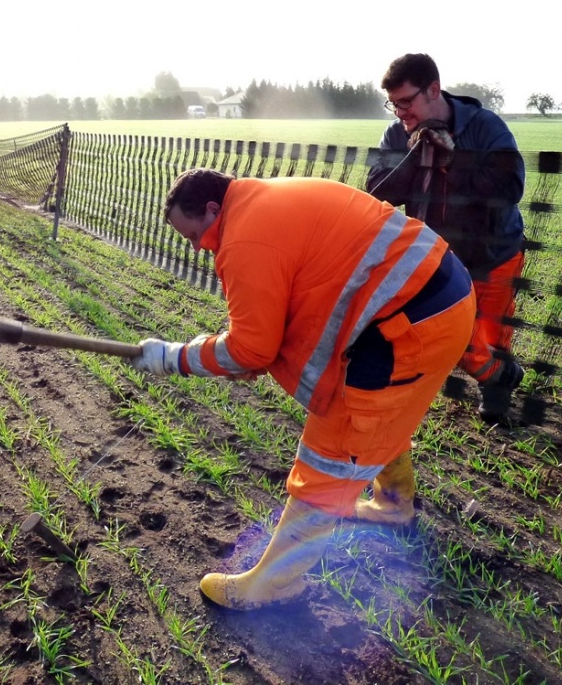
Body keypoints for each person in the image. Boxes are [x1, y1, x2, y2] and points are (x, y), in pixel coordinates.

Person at [129, 168, 476, 610]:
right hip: (443, 298)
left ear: (214, 208)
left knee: (335, 445)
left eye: (196, 234)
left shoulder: (244, 239)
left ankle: (273, 585)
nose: (199, 247)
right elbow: (277, 326)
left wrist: (174, 357)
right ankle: (394, 505)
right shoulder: (267, 199)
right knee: (380, 416)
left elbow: (250, 348)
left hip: (403, 327)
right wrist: (254, 353)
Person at [366, 53, 526, 421]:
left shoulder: (485, 127)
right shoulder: (396, 135)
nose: (400, 113)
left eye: (407, 102)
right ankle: (498, 377)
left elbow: (510, 188)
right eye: (394, 104)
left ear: (433, 89)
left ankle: (496, 387)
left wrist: (453, 162)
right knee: (450, 338)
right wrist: (415, 157)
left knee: (493, 337)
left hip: (495, 252)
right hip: (436, 260)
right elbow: (377, 191)